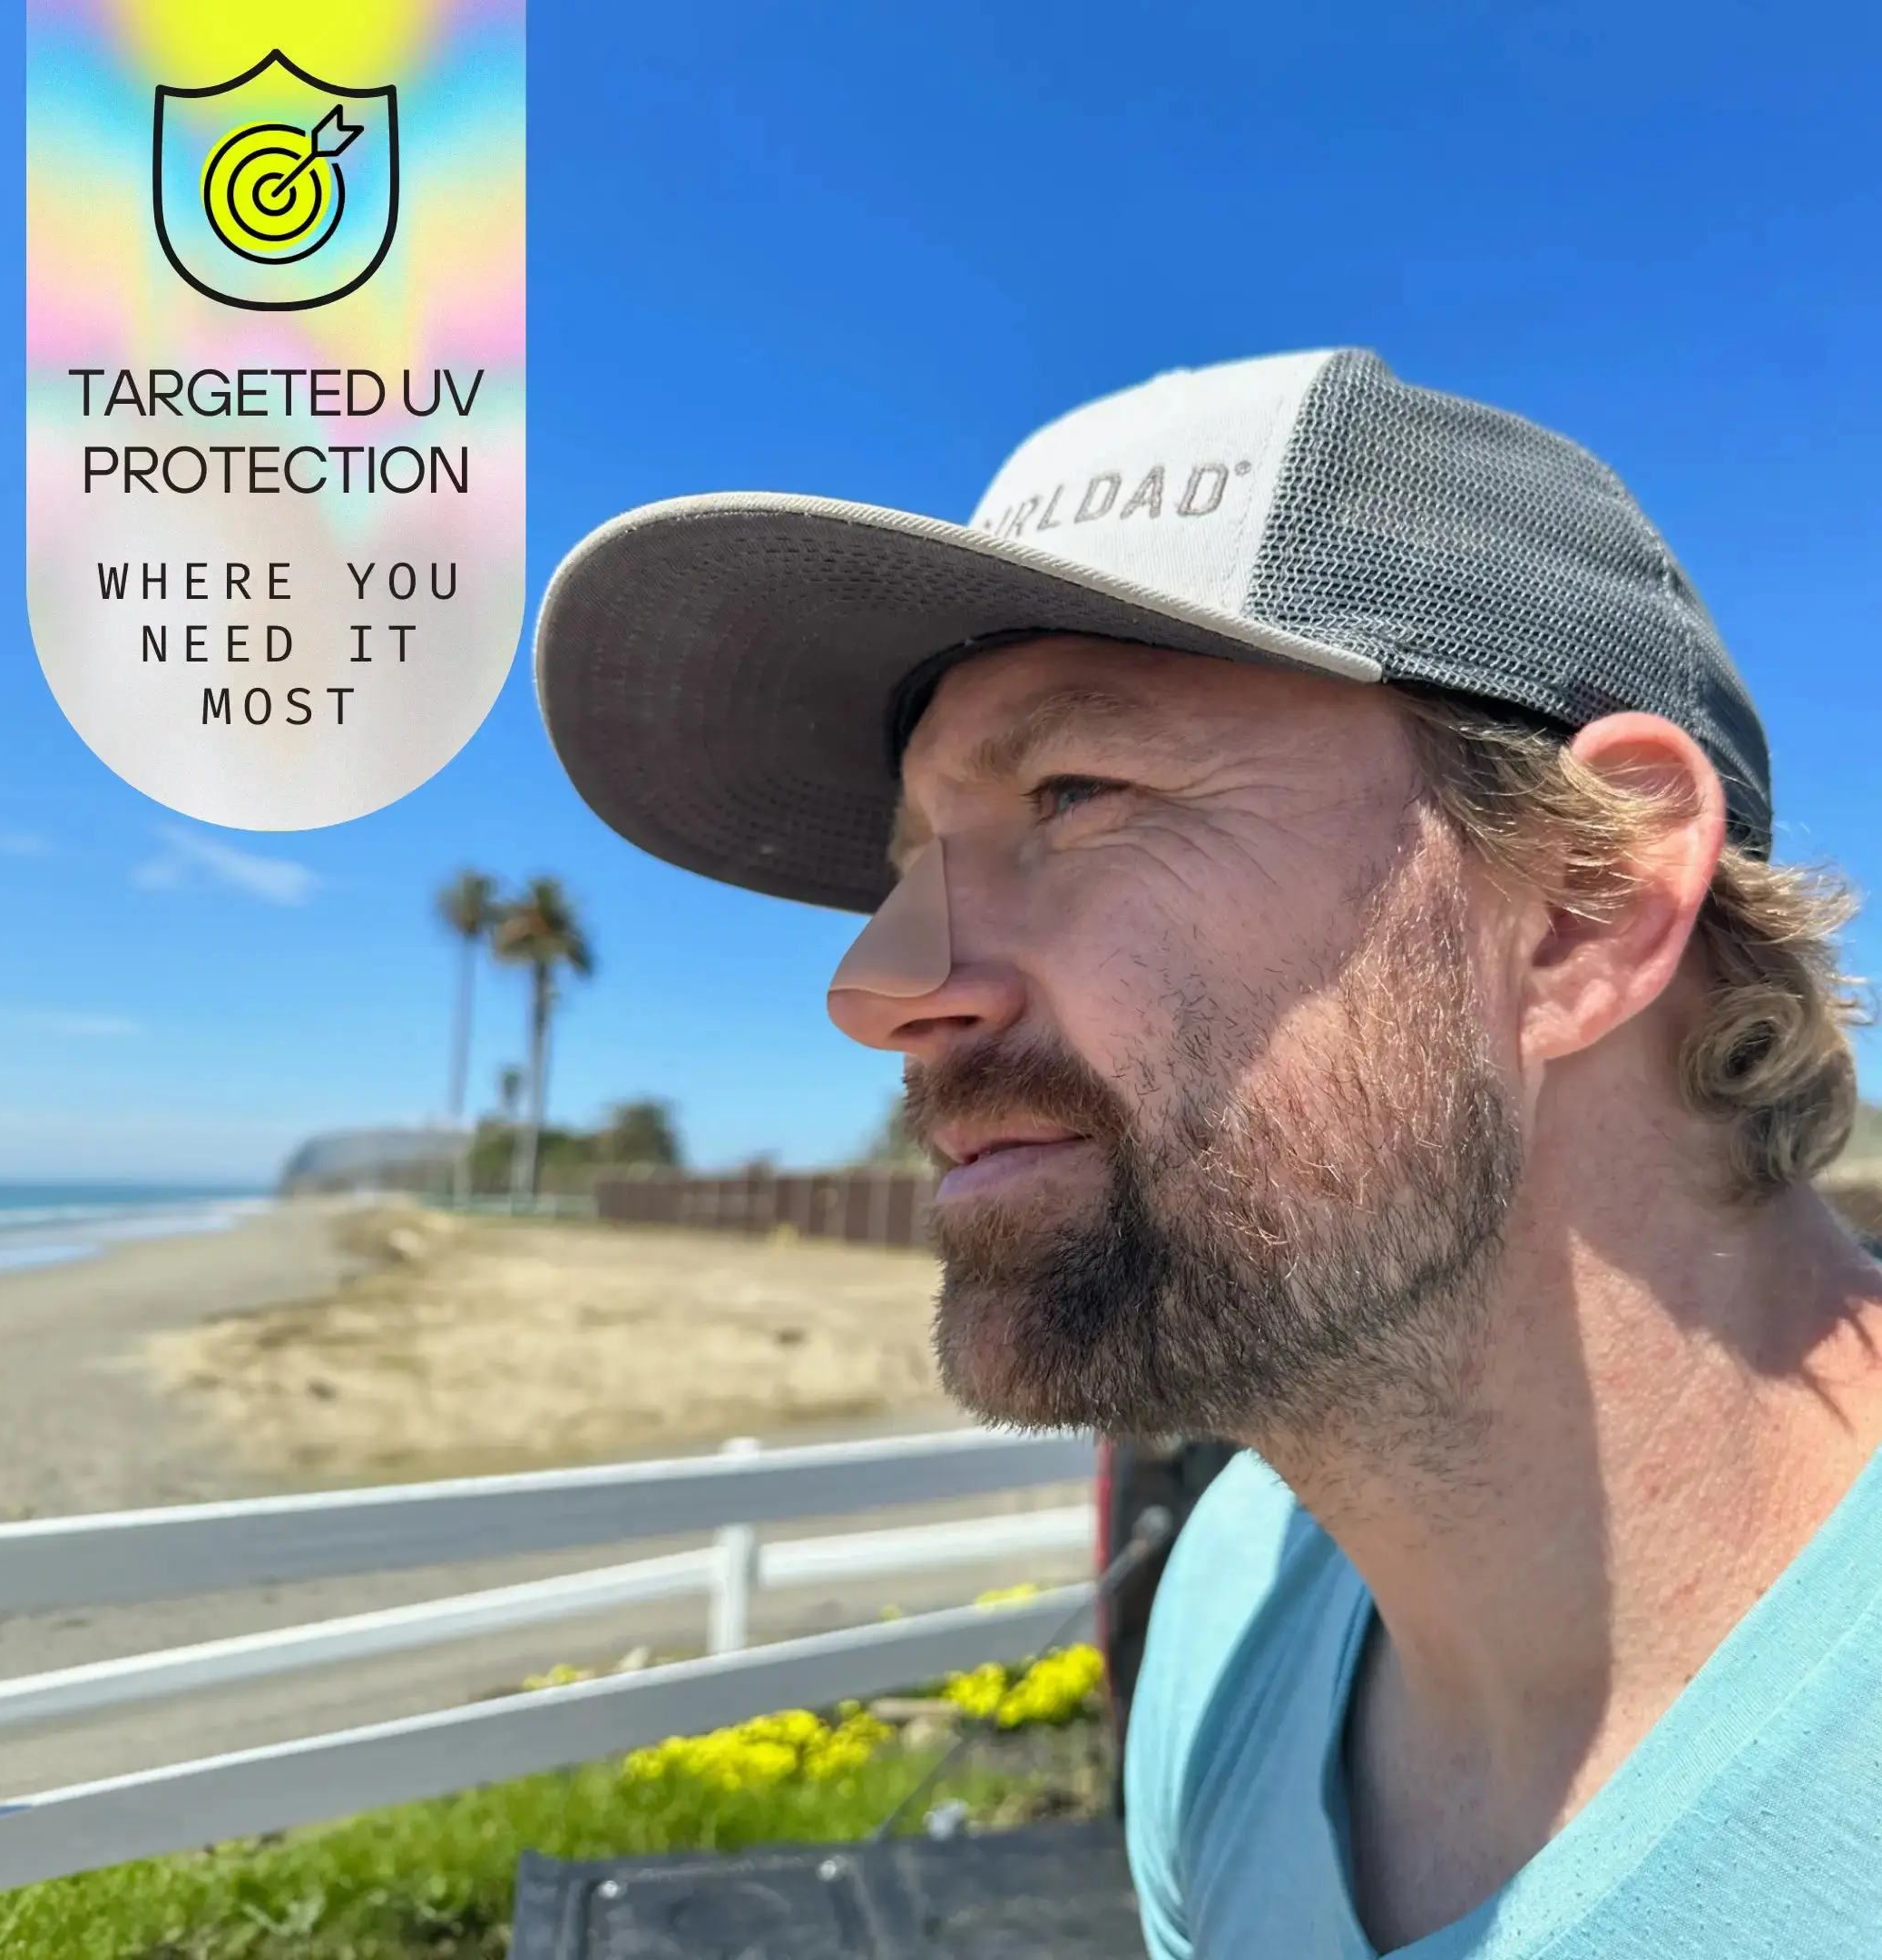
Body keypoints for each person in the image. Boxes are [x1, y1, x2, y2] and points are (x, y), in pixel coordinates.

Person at [534, 349, 1880, 1955]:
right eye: (917, 863)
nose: (877, 988)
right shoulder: (1237, 1610)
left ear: (1582, 908)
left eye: (1074, 791)